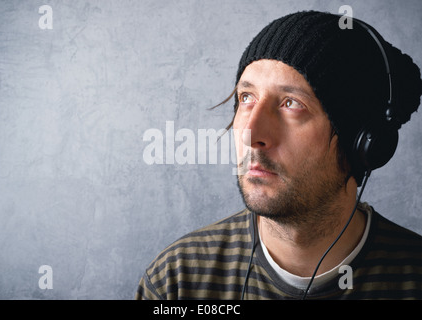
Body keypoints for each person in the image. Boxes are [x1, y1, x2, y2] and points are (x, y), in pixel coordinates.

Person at [135, 10, 422, 300]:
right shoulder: (176, 283)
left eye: (291, 103)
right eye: (246, 97)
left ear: (363, 146)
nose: (251, 133)